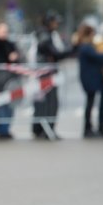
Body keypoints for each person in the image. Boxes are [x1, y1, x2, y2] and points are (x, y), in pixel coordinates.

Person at [32, 12, 71, 140]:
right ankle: (44, 129)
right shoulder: (44, 36)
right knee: (47, 102)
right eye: (55, 22)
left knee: (47, 102)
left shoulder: (49, 35)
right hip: (44, 74)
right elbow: (54, 52)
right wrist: (72, 50)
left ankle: (44, 129)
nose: (57, 24)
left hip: (47, 73)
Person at [76, 23, 103, 138]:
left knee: (90, 103)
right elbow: (97, 57)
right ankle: (87, 128)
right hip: (89, 79)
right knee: (90, 104)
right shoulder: (86, 47)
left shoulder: (86, 46)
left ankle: (90, 128)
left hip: (90, 78)